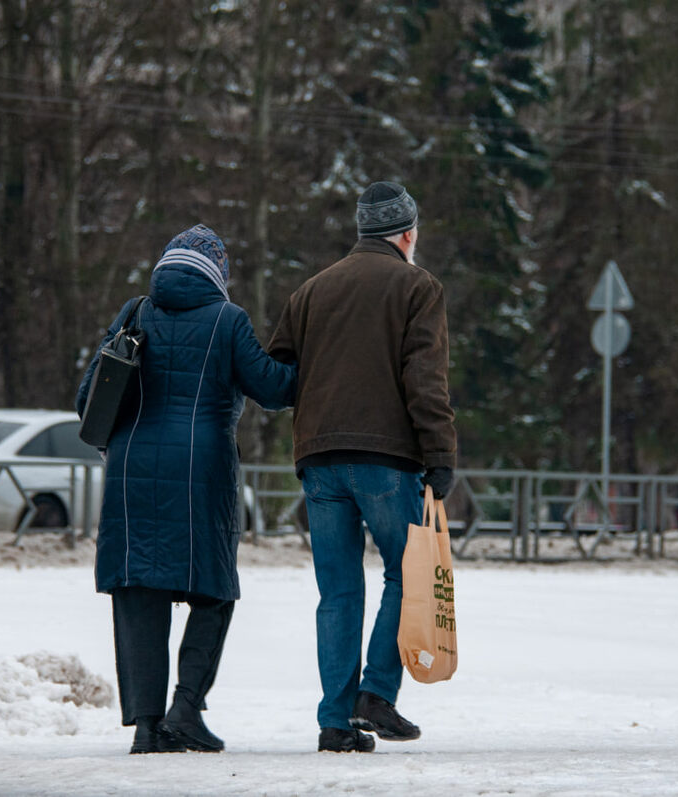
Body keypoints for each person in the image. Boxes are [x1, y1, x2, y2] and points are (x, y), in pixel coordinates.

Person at [76, 224, 296, 754]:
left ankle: (148, 727)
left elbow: (89, 398)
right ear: (217, 271)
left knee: (138, 592)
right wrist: (312, 360)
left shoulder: (135, 312)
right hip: (202, 467)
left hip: (130, 469)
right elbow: (271, 387)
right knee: (214, 590)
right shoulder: (228, 320)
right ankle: (186, 709)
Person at [269, 181, 457, 753]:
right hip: (385, 460)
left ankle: (334, 721)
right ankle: (376, 693)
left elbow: (278, 377)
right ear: (406, 233)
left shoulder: (311, 291)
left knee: (338, 592)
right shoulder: (417, 287)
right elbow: (424, 379)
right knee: (409, 574)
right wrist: (441, 453)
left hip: (319, 461)